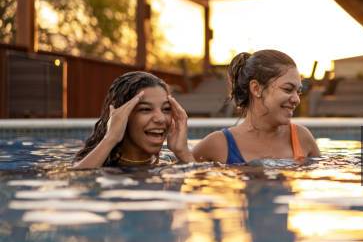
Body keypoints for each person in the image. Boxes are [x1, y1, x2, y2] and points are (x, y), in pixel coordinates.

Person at [192, 49, 320, 164]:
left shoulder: (302, 137)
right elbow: (181, 178)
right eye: (288, 89)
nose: (296, 99)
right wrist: (180, 149)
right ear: (256, 88)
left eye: (299, 92)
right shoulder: (220, 143)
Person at [73, 71, 193, 169]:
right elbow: (77, 183)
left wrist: (182, 152)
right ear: (121, 116)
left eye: (166, 109)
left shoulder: (169, 162)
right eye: (145, 109)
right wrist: (110, 138)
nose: (160, 119)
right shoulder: (97, 165)